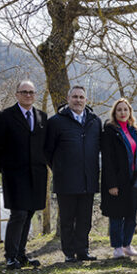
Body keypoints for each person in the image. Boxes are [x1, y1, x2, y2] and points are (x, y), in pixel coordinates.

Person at [0, 80, 47, 269]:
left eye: (31, 92)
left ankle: (21, 254)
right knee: (19, 214)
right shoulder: (5, 116)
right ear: (16, 94)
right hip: (15, 175)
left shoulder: (41, 116)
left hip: (36, 175)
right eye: (24, 92)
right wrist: (5, 169)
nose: (28, 95)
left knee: (29, 213)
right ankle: (10, 256)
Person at [45, 85, 101, 262]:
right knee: (67, 219)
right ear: (68, 99)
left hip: (88, 179)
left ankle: (83, 250)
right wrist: (59, 168)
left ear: (86, 100)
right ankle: (69, 253)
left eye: (81, 97)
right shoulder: (56, 121)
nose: (78, 100)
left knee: (85, 219)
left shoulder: (94, 121)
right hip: (66, 180)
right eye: (75, 97)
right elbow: (47, 151)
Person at [100, 99, 137, 259]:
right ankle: (117, 247)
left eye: (125, 109)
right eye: (119, 110)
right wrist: (111, 184)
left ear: (130, 112)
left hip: (134, 181)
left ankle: (127, 244)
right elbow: (107, 160)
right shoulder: (110, 132)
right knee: (117, 215)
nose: (123, 112)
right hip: (118, 181)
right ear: (114, 113)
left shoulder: (134, 131)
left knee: (131, 215)